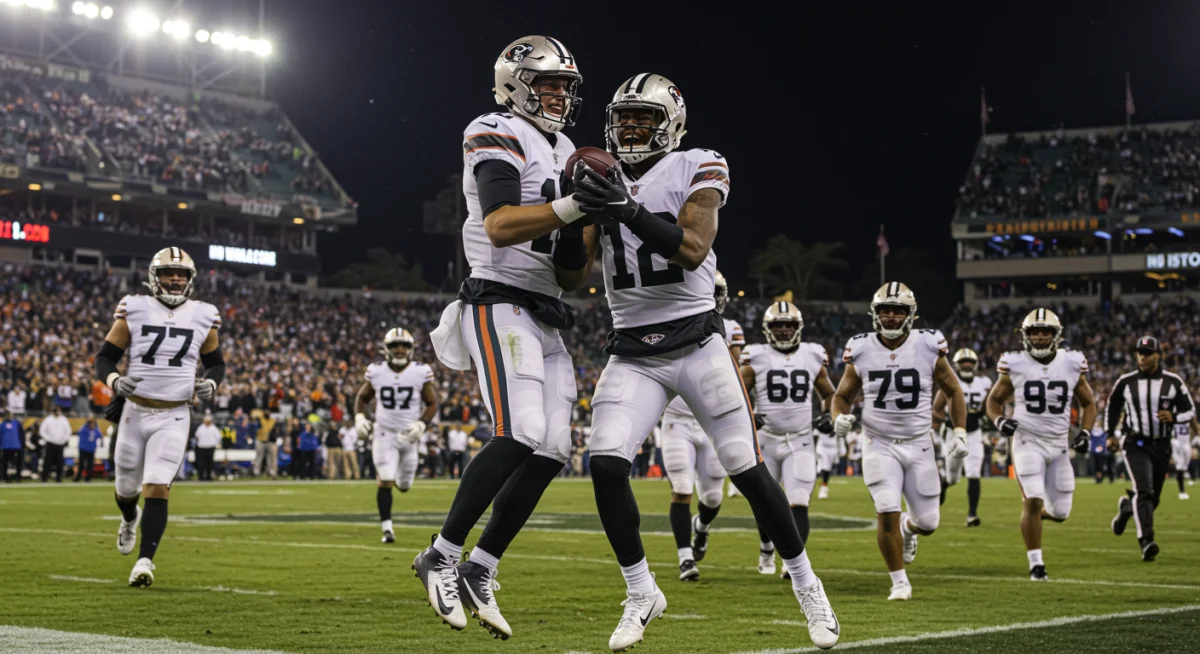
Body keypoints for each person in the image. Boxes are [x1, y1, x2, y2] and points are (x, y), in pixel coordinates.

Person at [575, 74, 838, 652]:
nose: (631, 128)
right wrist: (574, 214)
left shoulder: (698, 163)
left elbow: (692, 246)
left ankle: (807, 584)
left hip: (697, 341)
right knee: (606, 464)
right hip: (633, 349)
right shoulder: (603, 174)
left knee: (744, 466)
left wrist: (622, 204)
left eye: (644, 117)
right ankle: (641, 591)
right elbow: (576, 274)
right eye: (625, 117)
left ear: (671, 121)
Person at [417, 35, 590, 640]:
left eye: (567, 86)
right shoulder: (492, 128)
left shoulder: (566, 147)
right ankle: (439, 555)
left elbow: (573, 273)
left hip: (546, 310)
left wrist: (590, 217)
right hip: (497, 298)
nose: (561, 95)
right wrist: (571, 207)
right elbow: (497, 226)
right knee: (519, 432)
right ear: (515, 82)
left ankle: (480, 566)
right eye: (549, 83)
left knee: (553, 449)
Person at [93, 247, 225, 588]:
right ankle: (128, 518)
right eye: (169, 273)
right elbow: (105, 358)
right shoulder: (134, 307)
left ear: (191, 279)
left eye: (181, 274)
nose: (176, 279)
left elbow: (216, 363)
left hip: (174, 415)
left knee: (157, 485)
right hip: (134, 412)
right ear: (155, 276)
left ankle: (145, 562)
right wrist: (115, 382)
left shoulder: (203, 314)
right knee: (125, 489)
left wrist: (211, 382)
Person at [832, 282, 967, 601]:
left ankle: (910, 528)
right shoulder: (861, 347)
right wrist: (839, 415)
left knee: (929, 522)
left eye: (898, 311)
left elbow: (953, 391)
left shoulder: (929, 344)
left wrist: (959, 431)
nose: (891, 317)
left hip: (920, 442)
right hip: (878, 442)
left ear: (911, 314)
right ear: (875, 314)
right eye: (885, 311)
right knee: (886, 508)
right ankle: (899, 581)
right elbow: (842, 394)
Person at [985, 309, 1096, 580]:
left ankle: (1035, 518)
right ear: (1026, 335)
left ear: (1056, 335)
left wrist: (1086, 432)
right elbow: (993, 401)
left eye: (1045, 332)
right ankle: (1036, 564)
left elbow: (1089, 403)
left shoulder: (1072, 362)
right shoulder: (1015, 363)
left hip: (1058, 444)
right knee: (1032, 500)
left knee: (1060, 512)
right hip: (1027, 440)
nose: (1040, 337)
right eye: (1035, 332)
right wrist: (1000, 422)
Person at [740, 301, 835, 578]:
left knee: (799, 500)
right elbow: (738, 391)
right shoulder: (756, 355)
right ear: (768, 328)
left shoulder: (812, 355)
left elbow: (829, 393)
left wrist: (828, 414)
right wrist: (749, 414)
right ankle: (766, 548)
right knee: (765, 501)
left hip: (801, 439)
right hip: (766, 440)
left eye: (789, 325)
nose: (783, 330)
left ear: (799, 327)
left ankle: (793, 565)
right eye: (777, 325)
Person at [660, 271, 744, 582]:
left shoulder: (731, 328)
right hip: (677, 420)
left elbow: (736, 373)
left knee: (712, 498)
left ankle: (702, 528)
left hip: (709, 421)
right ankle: (685, 558)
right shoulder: (668, 317)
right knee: (681, 488)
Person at [1106, 336, 1194, 562]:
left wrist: (1174, 417)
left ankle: (1127, 508)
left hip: (1162, 445)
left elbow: (1190, 411)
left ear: (1158, 355)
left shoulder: (1173, 382)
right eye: (1139, 353)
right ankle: (1146, 541)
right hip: (1135, 443)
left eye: (1147, 353)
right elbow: (1112, 405)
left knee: (1153, 498)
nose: (1142, 358)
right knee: (1144, 491)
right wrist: (1110, 434)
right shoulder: (1126, 381)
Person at [356, 328, 438, 539]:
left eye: (404, 346)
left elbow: (432, 403)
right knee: (385, 479)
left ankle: (397, 491)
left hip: (409, 434)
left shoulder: (420, 371)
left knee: (403, 485)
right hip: (384, 432)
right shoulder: (376, 371)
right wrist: (360, 417)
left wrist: (421, 424)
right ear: (387, 349)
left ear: (411, 349)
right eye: (395, 346)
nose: (400, 350)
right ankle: (387, 529)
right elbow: (362, 397)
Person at [931, 348, 994, 526]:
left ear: (975, 365)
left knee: (974, 471)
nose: (967, 365)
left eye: (970, 362)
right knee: (952, 477)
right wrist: (950, 422)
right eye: (963, 362)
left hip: (974, 432)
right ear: (956, 366)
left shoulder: (984, 383)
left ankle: (972, 515)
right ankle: (942, 485)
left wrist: (985, 415)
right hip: (954, 433)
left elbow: (987, 407)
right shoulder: (951, 381)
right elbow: (936, 409)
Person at [39, 406, 71, 483]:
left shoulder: (64, 420)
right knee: (47, 461)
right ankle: (44, 478)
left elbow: (68, 431)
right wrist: (49, 439)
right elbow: (42, 431)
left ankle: (58, 478)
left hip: (60, 443)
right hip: (50, 443)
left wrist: (63, 439)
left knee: (59, 462)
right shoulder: (48, 420)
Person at [1172, 418, 1196, 500]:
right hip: (1177, 443)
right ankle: (1182, 492)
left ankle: (1186, 473)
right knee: (1179, 466)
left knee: (1185, 466)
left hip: (1186, 443)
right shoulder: (1174, 415)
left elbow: (1194, 427)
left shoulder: (1188, 415)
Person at [74, 417, 103, 482]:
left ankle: (88, 478)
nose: (92, 425)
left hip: (91, 450)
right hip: (83, 449)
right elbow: (79, 432)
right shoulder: (84, 429)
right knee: (81, 464)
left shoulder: (95, 430)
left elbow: (100, 436)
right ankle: (78, 477)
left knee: (90, 465)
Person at [193, 414, 221, 482]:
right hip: (202, 447)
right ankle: (201, 477)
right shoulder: (201, 427)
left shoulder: (213, 428)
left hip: (210, 447)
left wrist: (215, 443)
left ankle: (208, 476)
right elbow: (197, 436)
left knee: (209, 463)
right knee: (201, 463)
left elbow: (218, 437)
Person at [1, 410, 24, 483]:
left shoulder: (17, 423)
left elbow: (21, 433)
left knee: (18, 463)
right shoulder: (3, 425)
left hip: (17, 446)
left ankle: (18, 477)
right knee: (5, 463)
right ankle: (5, 477)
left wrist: (22, 444)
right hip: (6, 447)